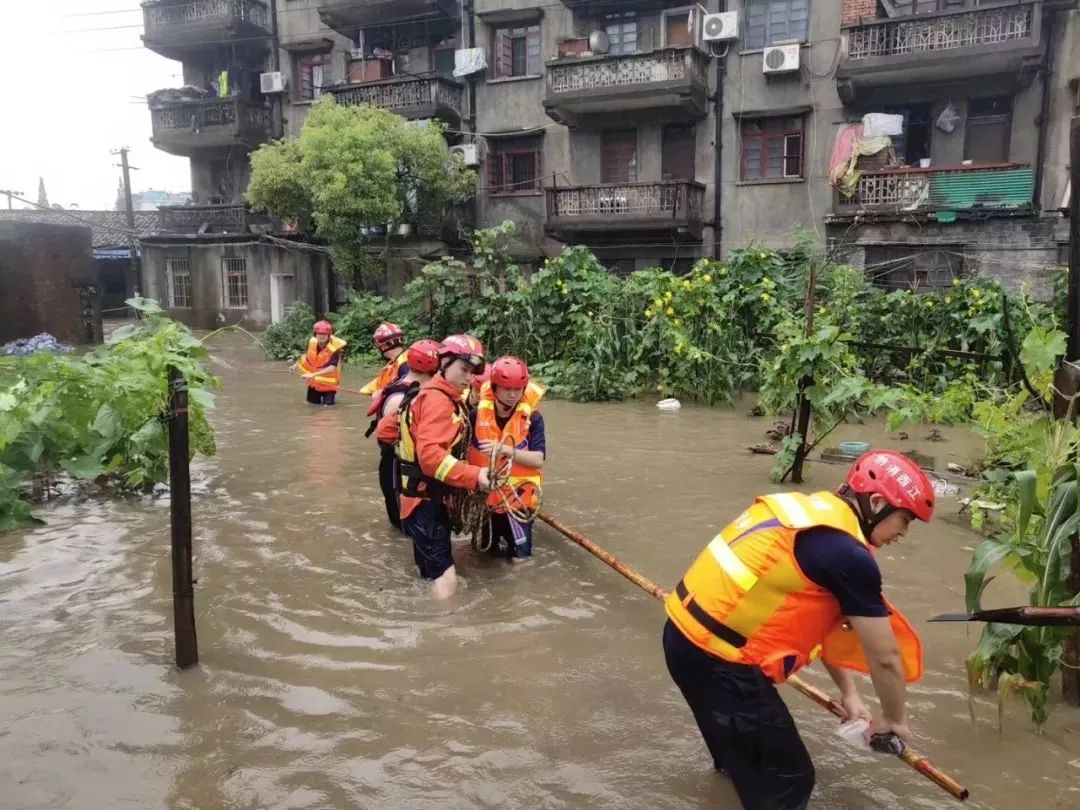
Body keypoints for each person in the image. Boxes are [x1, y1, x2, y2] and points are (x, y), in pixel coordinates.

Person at [662, 450, 933, 810]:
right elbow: (885, 659)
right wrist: (895, 722)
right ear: (878, 503)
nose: (903, 532)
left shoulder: (809, 514)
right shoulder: (848, 556)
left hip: (681, 639)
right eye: (904, 520)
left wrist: (848, 694)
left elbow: (819, 620)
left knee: (738, 760)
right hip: (721, 664)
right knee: (791, 780)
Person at [396, 334, 492, 598]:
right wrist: (475, 475)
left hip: (421, 498)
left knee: (429, 573)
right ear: (444, 363)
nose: (469, 378)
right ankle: (445, 631)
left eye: (473, 373)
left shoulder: (441, 396)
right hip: (425, 502)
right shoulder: (438, 400)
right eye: (464, 369)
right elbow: (431, 458)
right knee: (448, 581)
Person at [467, 356, 546, 563]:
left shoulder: (533, 419)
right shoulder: (476, 415)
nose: (512, 395)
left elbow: (538, 459)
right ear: (494, 388)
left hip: (516, 503)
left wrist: (505, 449)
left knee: (521, 561)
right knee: (482, 556)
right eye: (506, 389)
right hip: (484, 501)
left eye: (517, 389)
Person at [368, 339, 441, 531]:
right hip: (396, 467)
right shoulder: (402, 397)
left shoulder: (403, 387)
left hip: (402, 466)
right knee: (405, 526)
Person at [294, 320, 346, 406]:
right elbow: (307, 355)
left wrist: (313, 375)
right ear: (315, 335)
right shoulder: (313, 343)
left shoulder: (335, 349)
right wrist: (295, 365)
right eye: (319, 334)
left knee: (328, 408)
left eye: (324, 334)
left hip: (328, 385)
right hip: (314, 383)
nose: (321, 336)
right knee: (311, 406)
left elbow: (332, 367)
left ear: (329, 335)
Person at [359, 322, 409, 396]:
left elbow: (408, 388)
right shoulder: (394, 363)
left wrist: (383, 392)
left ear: (384, 346)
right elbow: (379, 382)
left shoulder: (404, 365)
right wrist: (364, 390)